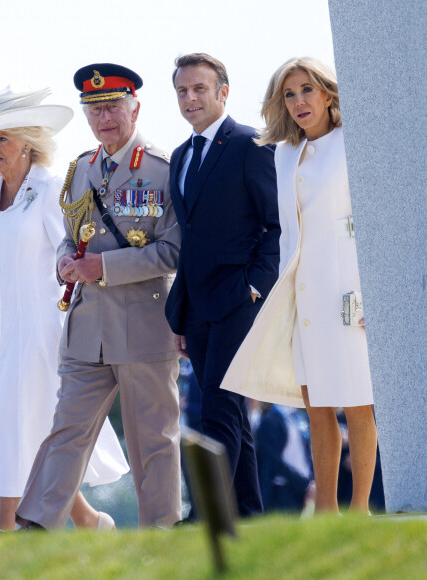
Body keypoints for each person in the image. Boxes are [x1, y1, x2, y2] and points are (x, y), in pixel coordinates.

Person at [0, 85, 129, 531]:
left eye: (2, 138)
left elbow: (72, 254)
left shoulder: (51, 189)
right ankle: (89, 521)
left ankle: (7, 527)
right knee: (24, 429)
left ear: (28, 140)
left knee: (14, 423)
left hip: (40, 329)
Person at [15, 64, 182, 530]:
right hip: (87, 328)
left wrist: (101, 268)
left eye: (112, 106)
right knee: (66, 432)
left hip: (144, 325)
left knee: (152, 439)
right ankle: (34, 526)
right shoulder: (81, 168)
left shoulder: (161, 170)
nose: (103, 117)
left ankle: (162, 535)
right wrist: (67, 261)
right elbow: (73, 236)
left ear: (135, 107)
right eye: (94, 109)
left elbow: (172, 251)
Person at [221, 57, 378, 514]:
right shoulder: (284, 154)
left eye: (307, 90)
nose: (299, 101)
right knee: (316, 406)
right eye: (289, 94)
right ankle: (327, 511)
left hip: (349, 295)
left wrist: (374, 294)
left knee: (358, 402)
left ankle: (360, 509)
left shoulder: (355, 144)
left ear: (328, 93)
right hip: (301, 296)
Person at [165, 53, 280, 518]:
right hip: (198, 307)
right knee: (228, 412)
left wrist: (255, 287)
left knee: (217, 409)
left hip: (240, 299)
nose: (190, 99)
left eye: (199, 89)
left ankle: (205, 516)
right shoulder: (179, 156)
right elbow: (189, 238)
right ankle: (249, 514)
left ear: (222, 93)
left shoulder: (251, 144)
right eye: (182, 91)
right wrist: (181, 313)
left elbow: (275, 226)